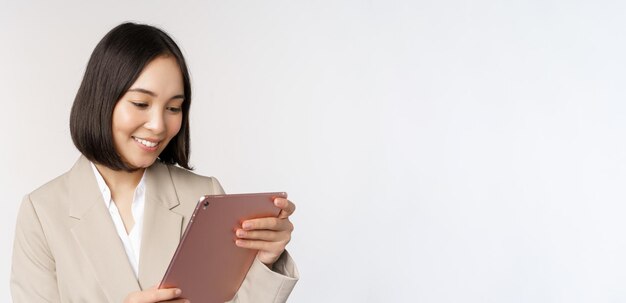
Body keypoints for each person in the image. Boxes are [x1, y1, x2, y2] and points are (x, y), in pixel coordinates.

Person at [11, 22, 299, 303]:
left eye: (173, 108)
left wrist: (266, 260)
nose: (158, 125)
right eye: (140, 104)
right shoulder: (42, 213)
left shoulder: (203, 195)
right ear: (101, 100)